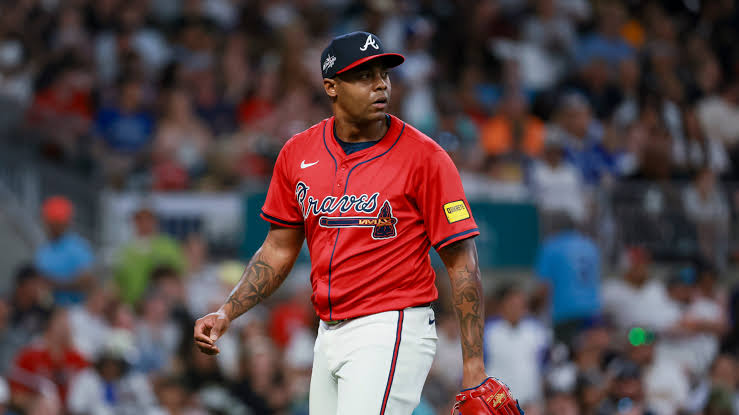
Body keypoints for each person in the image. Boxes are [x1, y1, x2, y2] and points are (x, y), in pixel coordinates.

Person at [194, 31, 521, 415]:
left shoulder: (426, 158)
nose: (380, 84)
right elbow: (278, 250)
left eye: (384, 74)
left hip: (392, 325)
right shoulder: (298, 153)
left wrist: (474, 366)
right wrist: (228, 311)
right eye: (365, 76)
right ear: (331, 86)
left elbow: (463, 262)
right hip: (327, 332)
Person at [113, 205, 185, 305]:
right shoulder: (125, 251)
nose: (145, 224)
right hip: (132, 303)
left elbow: (178, 274)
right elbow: (118, 281)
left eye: (148, 220)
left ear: (155, 222)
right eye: (140, 220)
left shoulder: (168, 245)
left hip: (162, 305)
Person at [34, 196, 95, 306]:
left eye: (55, 222)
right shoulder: (43, 250)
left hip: (76, 309)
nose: (50, 226)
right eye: (49, 221)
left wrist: (55, 284)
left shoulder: (79, 247)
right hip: (49, 309)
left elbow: (88, 282)